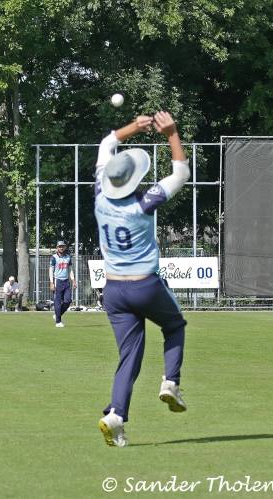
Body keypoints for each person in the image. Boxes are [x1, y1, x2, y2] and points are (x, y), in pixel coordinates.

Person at [95, 112, 190, 447]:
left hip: (113, 290)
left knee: (129, 356)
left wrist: (133, 128)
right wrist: (171, 133)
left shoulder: (99, 195)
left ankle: (116, 416)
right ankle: (170, 382)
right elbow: (181, 173)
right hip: (144, 285)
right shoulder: (144, 204)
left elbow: (107, 143)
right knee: (174, 325)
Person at [49, 241, 77, 328]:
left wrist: (73, 280)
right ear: (57, 248)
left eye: (62, 246)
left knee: (68, 301)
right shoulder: (54, 257)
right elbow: (51, 270)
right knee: (57, 302)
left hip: (66, 281)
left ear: (65, 247)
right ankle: (58, 322)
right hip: (57, 281)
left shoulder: (68, 257)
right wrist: (51, 282)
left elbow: (70, 269)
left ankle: (57, 315)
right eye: (59, 246)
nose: (61, 248)